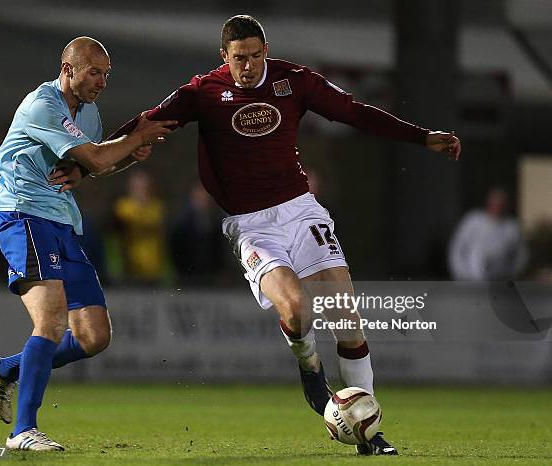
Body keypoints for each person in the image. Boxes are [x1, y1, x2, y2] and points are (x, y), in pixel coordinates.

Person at [110, 15, 461, 456]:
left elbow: (353, 112)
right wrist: (90, 162)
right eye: (240, 58)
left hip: (300, 211)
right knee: (295, 308)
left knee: (345, 317)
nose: (250, 65)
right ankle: (308, 364)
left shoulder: (293, 80)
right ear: (225, 56)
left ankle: (370, 432)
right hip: (251, 224)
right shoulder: (202, 93)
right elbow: (145, 124)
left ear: (266, 50)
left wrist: (421, 137)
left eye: (257, 55)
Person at [0, 36, 176, 451]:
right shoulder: (43, 104)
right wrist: (135, 138)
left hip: (63, 224)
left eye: (106, 73)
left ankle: (9, 369)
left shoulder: (89, 114)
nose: (102, 81)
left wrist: (122, 154)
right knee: (50, 323)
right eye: (94, 72)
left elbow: (95, 163)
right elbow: (99, 157)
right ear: (68, 69)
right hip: (25, 215)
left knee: (93, 336)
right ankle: (22, 432)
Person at [449, 187, 527, 281]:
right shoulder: (473, 220)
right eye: (494, 203)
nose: (497, 207)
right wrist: (460, 273)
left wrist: (511, 274)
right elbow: (457, 248)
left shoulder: (512, 226)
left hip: (498, 281)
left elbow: (521, 254)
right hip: (469, 279)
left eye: (501, 204)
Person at [111, 170, 168, 284]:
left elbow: (157, 224)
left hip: (153, 267)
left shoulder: (156, 206)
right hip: (129, 266)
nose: (140, 190)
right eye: (137, 186)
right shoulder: (123, 206)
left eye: (143, 186)